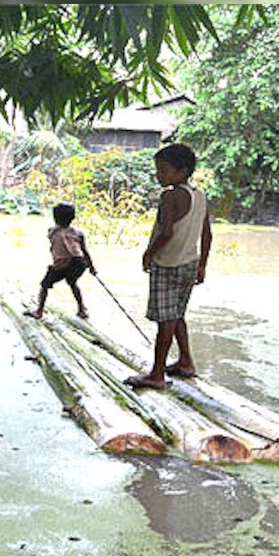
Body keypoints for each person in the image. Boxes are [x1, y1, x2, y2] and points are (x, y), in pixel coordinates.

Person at [125, 143, 212, 390]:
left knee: (165, 320)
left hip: (168, 264)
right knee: (177, 315)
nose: (159, 175)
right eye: (158, 170)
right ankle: (186, 362)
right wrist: (202, 264)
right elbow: (207, 234)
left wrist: (149, 253)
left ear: (182, 171)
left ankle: (157, 374)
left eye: (164, 170)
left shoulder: (170, 196)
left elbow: (166, 232)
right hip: (189, 263)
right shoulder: (200, 195)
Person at [24, 202, 96, 320]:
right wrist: (92, 267)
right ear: (73, 218)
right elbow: (85, 252)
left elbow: (52, 236)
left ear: (55, 218)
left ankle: (39, 311)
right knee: (72, 283)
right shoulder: (78, 233)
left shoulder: (53, 231)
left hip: (63, 263)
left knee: (45, 285)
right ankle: (82, 309)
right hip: (79, 262)